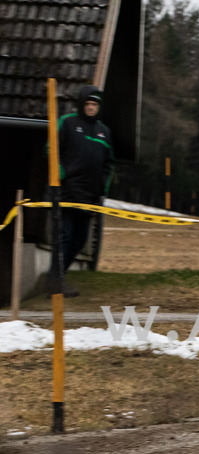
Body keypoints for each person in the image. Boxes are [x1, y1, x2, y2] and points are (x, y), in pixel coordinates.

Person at [54, 84, 113, 296]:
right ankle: (56, 282)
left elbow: (109, 164)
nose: (90, 107)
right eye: (87, 103)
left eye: (94, 104)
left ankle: (57, 277)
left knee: (79, 241)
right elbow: (51, 150)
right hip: (67, 193)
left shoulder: (104, 131)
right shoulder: (67, 123)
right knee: (64, 236)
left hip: (90, 197)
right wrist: (60, 174)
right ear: (81, 105)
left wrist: (102, 188)